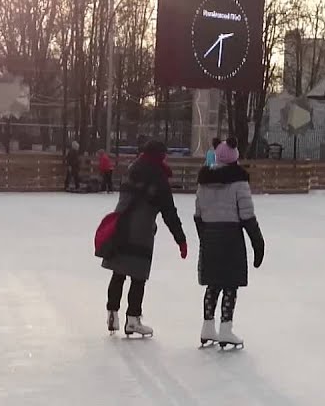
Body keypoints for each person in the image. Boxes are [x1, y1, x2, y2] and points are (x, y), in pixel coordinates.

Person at [99, 140, 187, 337]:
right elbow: (169, 211)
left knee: (118, 272)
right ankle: (133, 319)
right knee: (138, 277)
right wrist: (180, 239)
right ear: (160, 156)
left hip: (121, 225)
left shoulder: (132, 169)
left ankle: (112, 313)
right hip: (141, 230)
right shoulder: (158, 177)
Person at [194, 138, 265, 349]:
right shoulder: (239, 182)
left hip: (210, 236)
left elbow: (198, 215)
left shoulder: (204, 181)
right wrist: (258, 243)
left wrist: (204, 237)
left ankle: (208, 326)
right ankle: (225, 329)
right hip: (231, 238)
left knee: (213, 283)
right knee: (230, 284)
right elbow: (247, 216)